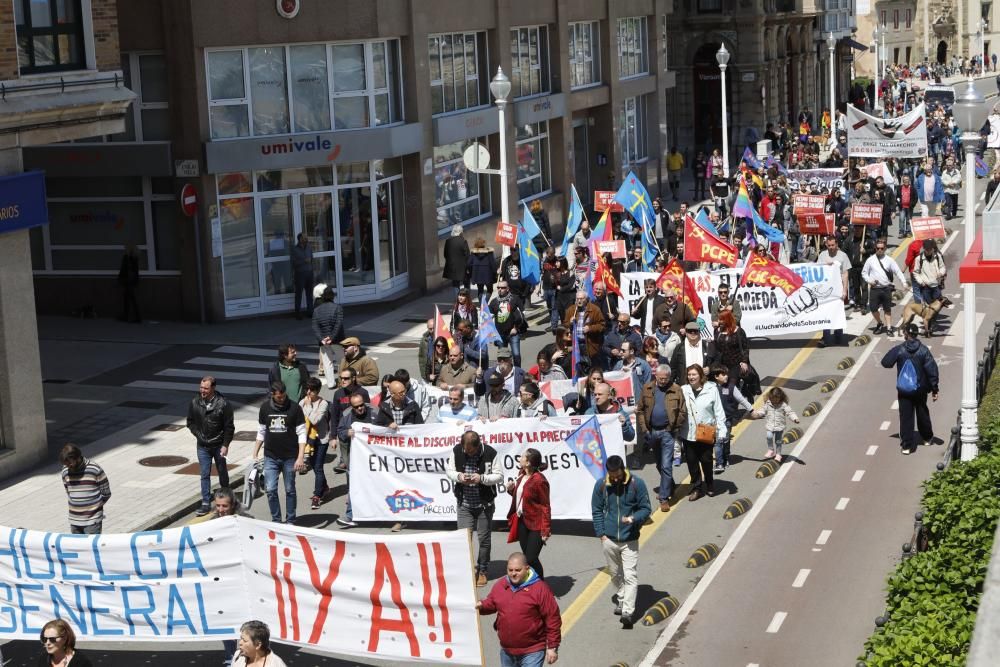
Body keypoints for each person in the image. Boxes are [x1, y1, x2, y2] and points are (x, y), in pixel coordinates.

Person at [591, 455, 651, 629]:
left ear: (623, 470)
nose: (615, 478)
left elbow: (646, 509)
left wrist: (633, 519)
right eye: (612, 475)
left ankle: (627, 612)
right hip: (608, 539)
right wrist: (601, 534)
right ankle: (622, 597)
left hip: (630, 539)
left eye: (617, 475)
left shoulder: (636, 484)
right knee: (616, 574)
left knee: (630, 575)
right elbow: (596, 510)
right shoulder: (601, 485)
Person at [477, 552, 562, 666]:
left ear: (526, 569)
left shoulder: (540, 589)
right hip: (507, 651)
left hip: (533, 651)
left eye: (517, 570)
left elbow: (553, 618)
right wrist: (481, 606)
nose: (513, 574)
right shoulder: (501, 585)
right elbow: (491, 603)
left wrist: (552, 646)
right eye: (510, 570)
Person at [446, 430, 503, 587]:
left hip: (484, 505)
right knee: (463, 539)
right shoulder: (457, 450)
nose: (466, 452)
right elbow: (449, 470)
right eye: (465, 449)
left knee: (484, 539)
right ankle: (467, 570)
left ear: (477, 446)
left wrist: (482, 478)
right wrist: (459, 477)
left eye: (470, 450)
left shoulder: (490, 453)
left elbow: (499, 476)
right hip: (464, 504)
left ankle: (483, 570)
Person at [253, 381, 307, 525]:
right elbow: (261, 431)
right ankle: (276, 521)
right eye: (279, 397)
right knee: (270, 490)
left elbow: (302, 433)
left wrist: (300, 457)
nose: (282, 400)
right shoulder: (265, 408)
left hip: (290, 457)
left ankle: (290, 520)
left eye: (283, 396)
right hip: (270, 456)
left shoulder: (295, 408)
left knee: (290, 489)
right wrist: (255, 453)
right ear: (272, 395)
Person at [881, 323, 939, 455]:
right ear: (917, 334)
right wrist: (935, 389)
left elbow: (886, 363)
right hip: (921, 389)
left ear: (906, 334)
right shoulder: (924, 350)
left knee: (906, 417)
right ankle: (927, 438)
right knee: (922, 412)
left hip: (904, 390)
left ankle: (907, 446)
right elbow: (932, 370)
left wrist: (895, 351)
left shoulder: (900, 349)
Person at [636, 365, 687, 512]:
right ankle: (669, 485)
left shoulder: (676, 389)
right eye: (660, 378)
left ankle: (664, 498)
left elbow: (682, 411)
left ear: (669, 377)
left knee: (666, 465)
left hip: (667, 433)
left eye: (666, 378)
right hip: (651, 432)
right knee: (659, 464)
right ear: (656, 376)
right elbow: (640, 410)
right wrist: (644, 429)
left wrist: (674, 427)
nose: (663, 381)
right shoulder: (647, 388)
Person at [186, 375, 235, 517]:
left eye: (206, 388)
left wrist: (225, 445)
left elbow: (229, 427)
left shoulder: (223, 404)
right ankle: (206, 502)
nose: (203, 390)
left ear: (213, 388)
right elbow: (190, 422)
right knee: (204, 473)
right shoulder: (195, 402)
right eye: (201, 387)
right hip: (202, 445)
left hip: (218, 444)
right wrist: (198, 434)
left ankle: (226, 497)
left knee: (222, 471)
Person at [680, 364, 727, 500]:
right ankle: (697, 487)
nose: (691, 377)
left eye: (694, 374)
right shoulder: (683, 390)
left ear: (701, 376)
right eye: (689, 375)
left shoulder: (712, 389)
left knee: (706, 460)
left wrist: (722, 431)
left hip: (706, 432)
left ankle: (710, 483)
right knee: (692, 462)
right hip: (688, 433)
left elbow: (718, 411)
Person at [506, 447, 552, 580]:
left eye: (522, 457)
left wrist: (545, 530)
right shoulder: (521, 475)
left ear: (528, 462)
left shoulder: (539, 480)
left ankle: (541, 585)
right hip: (522, 522)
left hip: (536, 524)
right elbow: (522, 497)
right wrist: (511, 490)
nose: (520, 458)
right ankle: (531, 583)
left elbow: (545, 506)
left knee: (531, 558)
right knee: (526, 557)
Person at [335, 393, 379, 527]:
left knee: (378, 486)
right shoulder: (346, 415)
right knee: (354, 487)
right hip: (355, 460)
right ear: (352, 407)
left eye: (361, 405)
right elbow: (340, 431)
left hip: (375, 459)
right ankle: (350, 515)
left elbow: (385, 428)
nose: (360, 408)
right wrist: (346, 433)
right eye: (356, 407)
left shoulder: (375, 412)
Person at [59, 443, 111, 534]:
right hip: (74, 520)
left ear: (77, 457)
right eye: (66, 464)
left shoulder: (94, 469)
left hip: (92, 521)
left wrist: (94, 508)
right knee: (77, 548)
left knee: (91, 547)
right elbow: (69, 492)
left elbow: (106, 493)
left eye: (70, 463)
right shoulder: (65, 471)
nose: (68, 467)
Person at [710, 366, 753, 473]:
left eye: (726, 374)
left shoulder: (731, 387)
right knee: (718, 441)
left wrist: (752, 410)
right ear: (716, 376)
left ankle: (726, 457)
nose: (726, 376)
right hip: (714, 420)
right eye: (723, 374)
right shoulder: (710, 388)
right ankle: (719, 463)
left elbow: (742, 400)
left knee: (725, 440)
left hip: (727, 419)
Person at [300, 377, 334, 510]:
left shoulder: (323, 404)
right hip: (308, 440)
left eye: (312, 390)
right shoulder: (302, 402)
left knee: (318, 467)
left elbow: (314, 420)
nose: (308, 392)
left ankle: (317, 496)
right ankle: (324, 487)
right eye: (307, 389)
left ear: (318, 391)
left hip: (321, 439)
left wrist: (308, 406)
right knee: (314, 466)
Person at [862, 240, 906, 335]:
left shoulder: (889, 260)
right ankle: (879, 323)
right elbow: (864, 273)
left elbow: (898, 271)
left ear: (885, 249)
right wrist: (870, 281)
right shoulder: (870, 260)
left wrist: (904, 282)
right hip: (875, 288)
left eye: (882, 248)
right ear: (875, 248)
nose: (880, 250)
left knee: (887, 309)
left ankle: (889, 328)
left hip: (886, 288)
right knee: (873, 309)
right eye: (878, 248)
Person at [817, 235, 852, 346]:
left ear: (837, 245)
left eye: (833, 245)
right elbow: (817, 270)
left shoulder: (843, 256)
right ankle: (826, 338)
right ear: (826, 245)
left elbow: (845, 274)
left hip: (838, 290)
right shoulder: (822, 255)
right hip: (826, 291)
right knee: (826, 314)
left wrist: (845, 290)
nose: (831, 247)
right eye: (829, 245)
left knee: (838, 313)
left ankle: (838, 335)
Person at [750, 387, 800, 463]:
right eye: (773, 398)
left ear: (780, 397)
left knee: (778, 441)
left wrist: (795, 418)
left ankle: (778, 454)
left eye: (777, 398)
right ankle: (771, 450)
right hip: (770, 425)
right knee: (769, 436)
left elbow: (790, 412)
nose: (775, 400)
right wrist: (758, 414)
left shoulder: (783, 405)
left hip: (779, 426)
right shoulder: (768, 403)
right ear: (770, 397)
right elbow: (763, 410)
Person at [562, 290, 605, 370]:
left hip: (589, 344)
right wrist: (570, 323)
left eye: (581, 299)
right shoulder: (571, 310)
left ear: (586, 299)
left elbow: (602, 325)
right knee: (577, 367)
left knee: (591, 367)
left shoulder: (595, 310)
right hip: (575, 344)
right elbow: (565, 325)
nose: (579, 301)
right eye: (577, 299)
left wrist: (590, 328)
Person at [311, 286, 344, 388]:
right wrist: (332, 338)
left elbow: (315, 326)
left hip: (323, 342)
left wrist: (322, 338)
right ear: (333, 297)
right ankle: (343, 381)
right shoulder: (337, 308)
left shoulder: (317, 310)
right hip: (337, 340)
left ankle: (330, 383)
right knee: (341, 361)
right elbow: (338, 324)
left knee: (327, 363)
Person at [912, 239, 948, 331]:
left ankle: (932, 322)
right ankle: (930, 323)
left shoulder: (937, 256)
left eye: (930, 249)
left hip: (936, 286)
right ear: (924, 249)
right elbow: (915, 272)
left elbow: (942, 267)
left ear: (933, 249)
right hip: (926, 287)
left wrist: (941, 272)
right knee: (929, 306)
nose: (928, 251)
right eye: (926, 250)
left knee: (937, 307)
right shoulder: (919, 259)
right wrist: (921, 282)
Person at [490, 280, 527, 367]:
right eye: (498, 287)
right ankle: (505, 374)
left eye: (502, 288)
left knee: (516, 355)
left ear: (507, 289)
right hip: (500, 334)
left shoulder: (515, 299)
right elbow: (489, 318)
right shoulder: (494, 302)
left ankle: (518, 372)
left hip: (513, 333)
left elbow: (523, 314)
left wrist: (516, 328)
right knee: (502, 357)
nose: (500, 289)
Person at [290, 232, 314, 320]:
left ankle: (310, 312)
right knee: (299, 294)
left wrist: (311, 267)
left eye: (306, 237)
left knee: (309, 294)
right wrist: (304, 261)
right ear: (300, 239)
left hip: (309, 273)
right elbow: (293, 263)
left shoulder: (309, 247)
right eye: (304, 238)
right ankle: (298, 313)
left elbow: (312, 258)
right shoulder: (294, 249)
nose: (306, 239)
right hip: (300, 274)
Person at [443, 223, 471, 294]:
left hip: (452, 266)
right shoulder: (463, 241)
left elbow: (445, 254)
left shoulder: (448, 241)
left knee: (455, 284)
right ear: (460, 232)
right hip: (463, 266)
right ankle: (466, 299)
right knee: (466, 283)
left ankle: (457, 300)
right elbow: (467, 255)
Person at [117, 242, 140, 323]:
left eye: (126, 247)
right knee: (127, 298)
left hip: (128, 281)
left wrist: (120, 278)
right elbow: (135, 271)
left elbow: (124, 269)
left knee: (130, 299)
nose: (124, 249)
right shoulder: (135, 257)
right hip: (131, 281)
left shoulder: (127, 257)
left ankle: (134, 317)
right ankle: (128, 316)